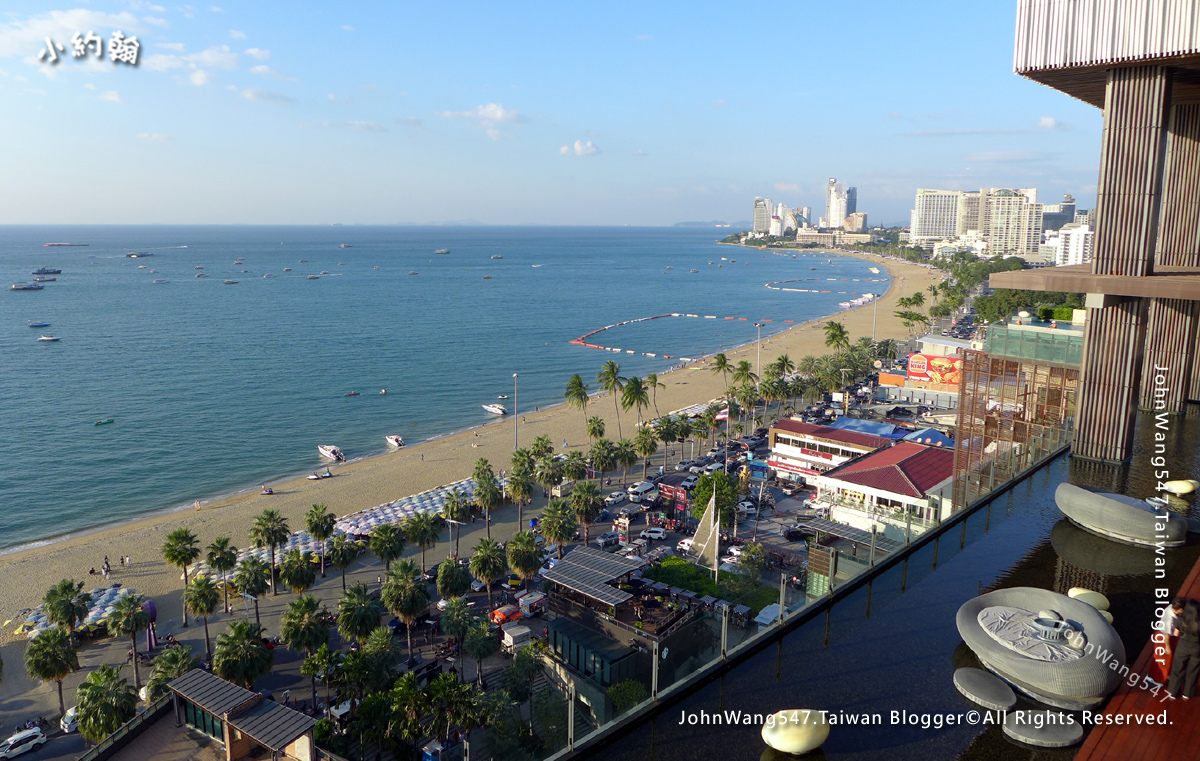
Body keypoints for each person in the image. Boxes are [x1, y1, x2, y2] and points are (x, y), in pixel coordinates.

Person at [1167, 599, 1200, 699]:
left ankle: (1173, 692)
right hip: (1197, 649)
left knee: (1177, 669)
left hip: (1182, 648)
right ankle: (1187, 693)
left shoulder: (1181, 620)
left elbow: (1177, 634)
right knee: (1193, 671)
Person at [1153, 598, 1186, 684]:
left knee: (1169, 658)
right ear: (1180, 610)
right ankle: (1159, 679)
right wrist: (1167, 647)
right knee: (1163, 658)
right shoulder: (1169, 616)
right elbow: (1166, 633)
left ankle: (1167, 674)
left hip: (1170, 635)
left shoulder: (1172, 607)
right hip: (1163, 637)